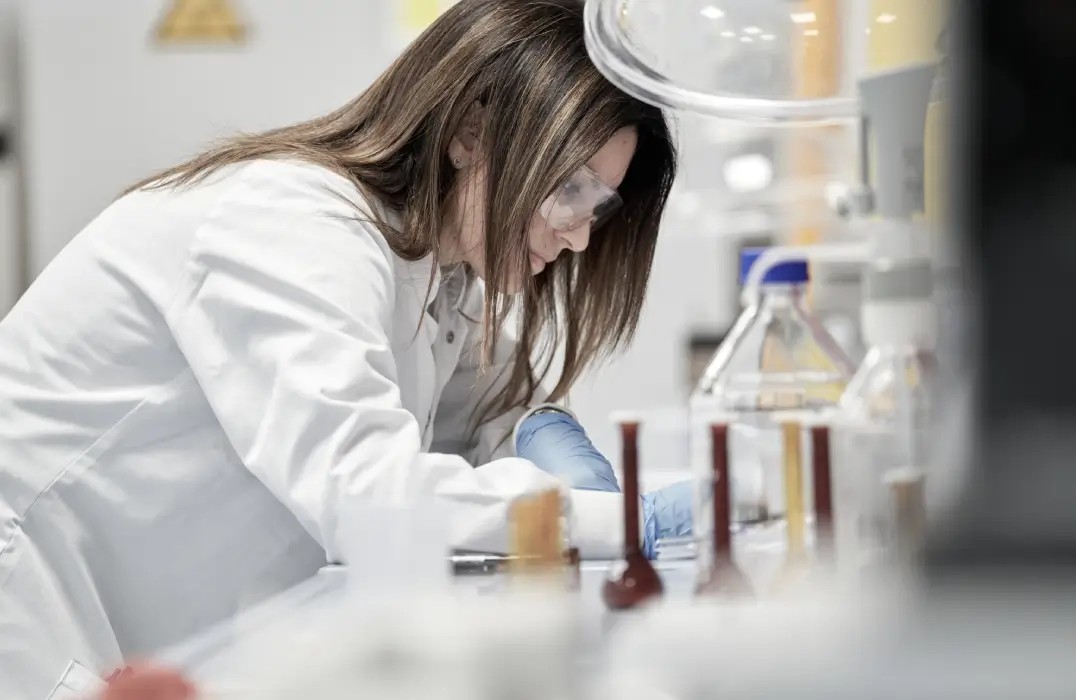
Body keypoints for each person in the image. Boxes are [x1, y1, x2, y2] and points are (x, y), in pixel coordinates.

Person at [0, 1, 691, 696]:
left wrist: (542, 433)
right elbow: (369, 495)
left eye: (599, 205)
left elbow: (489, 414)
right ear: (471, 129)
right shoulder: (292, 224)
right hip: (32, 603)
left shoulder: (434, 271)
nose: (581, 236)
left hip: (146, 620)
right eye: (571, 188)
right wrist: (622, 520)